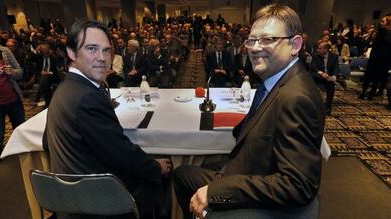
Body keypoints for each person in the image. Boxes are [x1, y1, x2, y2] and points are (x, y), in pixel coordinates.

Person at [173, 4, 325, 219]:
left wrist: (216, 191)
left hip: (257, 183)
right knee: (182, 175)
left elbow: (298, 185)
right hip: (250, 166)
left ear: (295, 44)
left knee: (184, 175)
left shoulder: (296, 97)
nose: (254, 48)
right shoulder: (275, 81)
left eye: (267, 39)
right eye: (251, 40)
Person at [43, 19, 171, 218]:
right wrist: (156, 167)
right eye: (92, 49)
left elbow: (46, 143)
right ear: (71, 53)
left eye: (106, 50)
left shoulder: (64, 88)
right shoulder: (88, 97)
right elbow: (123, 154)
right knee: (162, 175)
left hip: (68, 196)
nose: (102, 58)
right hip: (97, 202)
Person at [310, 41, 339, 115]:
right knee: (313, 76)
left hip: (328, 78)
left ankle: (328, 108)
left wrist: (334, 76)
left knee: (331, 86)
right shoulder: (315, 56)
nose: (317, 50)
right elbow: (313, 68)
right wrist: (322, 73)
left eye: (320, 48)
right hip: (318, 77)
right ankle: (312, 106)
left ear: (325, 49)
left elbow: (336, 68)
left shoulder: (334, 56)